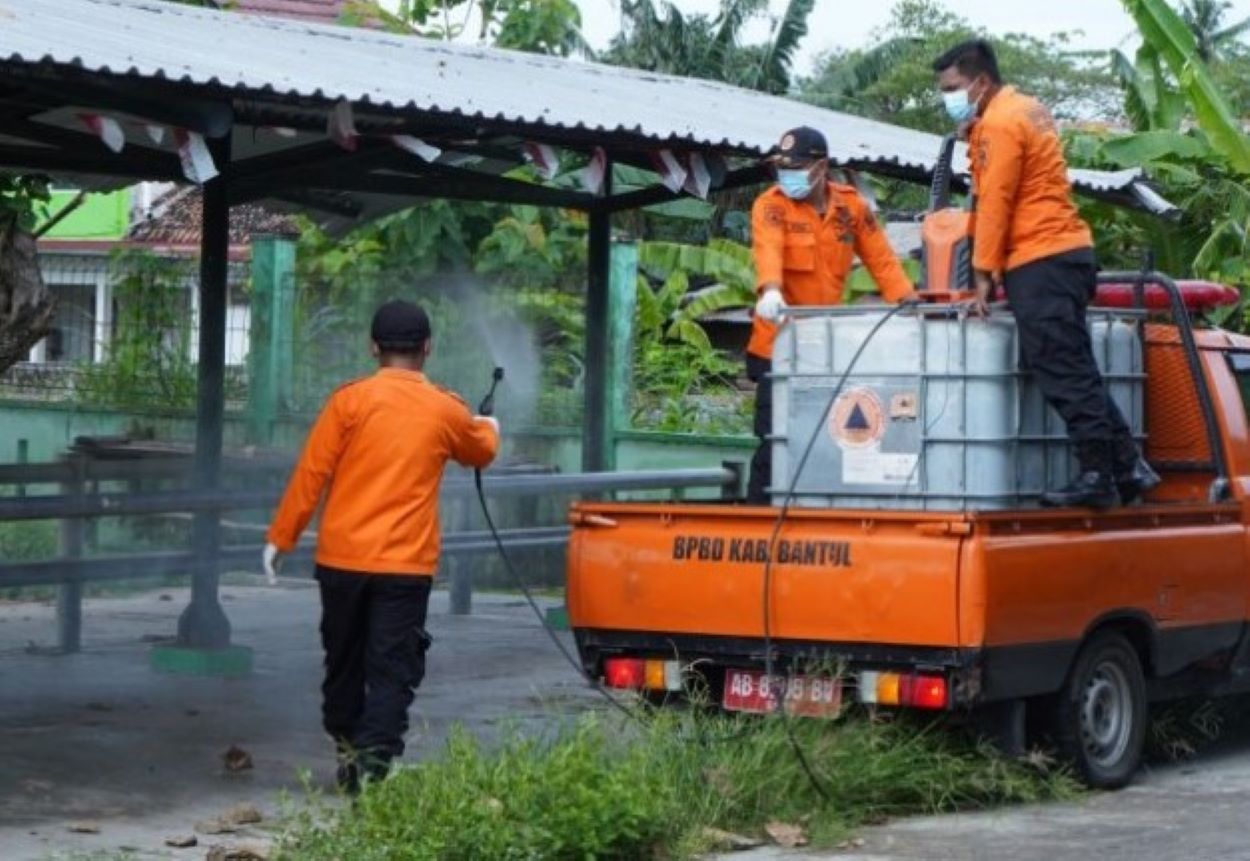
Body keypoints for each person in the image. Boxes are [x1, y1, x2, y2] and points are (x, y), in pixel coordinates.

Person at [262, 299, 499, 790]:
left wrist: (280, 538)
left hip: (341, 562)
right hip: (405, 569)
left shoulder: (348, 402)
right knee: (392, 670)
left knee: (343, 664)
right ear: (427, 349)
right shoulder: (445, 408)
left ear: (373, 347)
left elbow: (312, 474)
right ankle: (372, 766)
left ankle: (350, 749)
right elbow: (480, 451)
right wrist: (490, 427)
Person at [932, 39, 1158, 509]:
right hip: (1066, 254)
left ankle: (1099, 473)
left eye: (952, 87)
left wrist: (982, 273)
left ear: (980, 81)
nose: (947, 97)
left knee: (1061, 369)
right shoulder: (1026, 109)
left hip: (1041, 258)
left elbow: (996, 202)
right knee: (1075, 365)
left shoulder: (999, 122)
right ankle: (1127, 465)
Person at [747, 126, 917, 504]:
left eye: (796, 167)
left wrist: (909, 305)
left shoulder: (850, 207)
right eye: (782, 167)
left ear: (821, 167)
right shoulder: (771, 205)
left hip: (824, 350)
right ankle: (759, 515)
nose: (786, 175)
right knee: (775, 439)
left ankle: (812, 508)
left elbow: (882, 260)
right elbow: (768, 249)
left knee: (824, 435)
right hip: (775, 344)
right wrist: (771, 289)